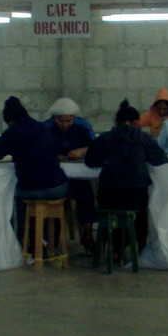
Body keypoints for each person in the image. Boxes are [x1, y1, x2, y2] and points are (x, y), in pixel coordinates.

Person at [85, 100, 168, 255]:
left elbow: (90, 162)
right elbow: (160, 160)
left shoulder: (104, 138)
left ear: (116, 121)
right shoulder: (144, 138)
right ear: (136, 121)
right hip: (136, 193)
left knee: (111, 212)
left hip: (109, 193)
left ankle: (115, 248)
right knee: (140, 213)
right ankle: (140, 246)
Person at [0, 97, 69, 242]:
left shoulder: (13, 132)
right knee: (55, 203)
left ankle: (28, 243)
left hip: (32, 188)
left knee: (17, 200)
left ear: (10, 121)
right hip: (58, 185)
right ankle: (52, 241)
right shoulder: (42, 127)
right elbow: (58, 149)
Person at [42, 97, 95, 252]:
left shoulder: (83, 126)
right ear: (54, 118)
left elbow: (96, 145)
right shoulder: (45, 127)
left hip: (78, 176)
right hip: (56, 178)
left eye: (69, 121)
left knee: (86, 193)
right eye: (61, 121)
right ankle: (52, 241)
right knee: (58, 200)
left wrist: (82, 151)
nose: (65, 124)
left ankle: (87, 232)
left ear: (74, 118)